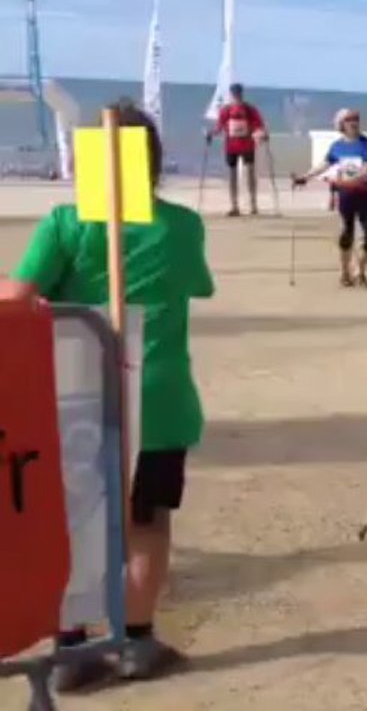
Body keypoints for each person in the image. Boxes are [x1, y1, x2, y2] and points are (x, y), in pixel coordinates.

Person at [0, 101, 215, 687]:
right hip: (159, 395)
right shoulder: (181, 225)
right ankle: (135, 638)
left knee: (73, 519)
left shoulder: (66, 224)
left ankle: (73, 643)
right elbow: (196, 283)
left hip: (77, 397)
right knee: (147, 522)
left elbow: (17, 299)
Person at [292, 109, 367, 289]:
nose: (353, 122)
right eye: (348, 120)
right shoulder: (337, 146)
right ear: (341, 125)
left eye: (356, 119)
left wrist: (344, 182)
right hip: (347, 196)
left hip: (366, 196)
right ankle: (345, 272)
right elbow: (325, 164)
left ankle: (359, 270)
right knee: (346, 234)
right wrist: (305, 177)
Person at [206, 83, 268, 217]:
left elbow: (259, 125)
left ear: (241, 93)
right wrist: (211, 134)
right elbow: (219, 127)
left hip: (247, 146)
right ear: (231, 94)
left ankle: (253, 205)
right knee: (232, 176)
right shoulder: (226, 110)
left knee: (250, 174)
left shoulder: (249, 109)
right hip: (231, 147)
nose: (236, 96)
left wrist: (262, 134)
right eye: (234, 93)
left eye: (238, 93)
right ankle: (234, 206)